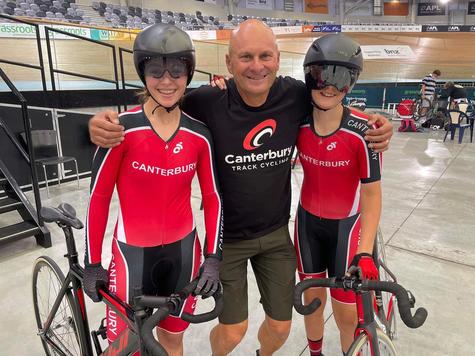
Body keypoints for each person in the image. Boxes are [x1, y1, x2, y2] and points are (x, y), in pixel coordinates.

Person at [88, 20, 393, 356]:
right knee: (232, 332)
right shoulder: (205, 100)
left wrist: (377, 123)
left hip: (276, 237)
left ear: (278, 59)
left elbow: (333, 100)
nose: (257, 66)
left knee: (280, 328)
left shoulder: (296, 95)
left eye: (265, 56)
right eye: (245, 57)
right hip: (228, 242)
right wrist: (98, 123)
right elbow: (158, 104)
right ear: (229, 64)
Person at [83, 24, 223, 356]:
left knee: (173, 341)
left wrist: (214, 257)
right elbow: (98, 199)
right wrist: (92, 262)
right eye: (155, 70)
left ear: (188, 73)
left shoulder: (199, 135)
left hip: (184, 255)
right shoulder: (119, 131)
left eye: (176, 70)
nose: (166, 80)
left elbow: (214, 197)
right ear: (142, 73)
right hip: (131, 258)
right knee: (125, 348)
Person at [294, 34, 381, 356]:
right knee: (312, 300)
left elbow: (371, 195)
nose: (330, 86)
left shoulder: (364, 132)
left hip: (347, 228)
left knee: (346, 313)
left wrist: (366, 250)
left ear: (352, 83)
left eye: (342, 77)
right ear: (309, 77)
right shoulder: (298, 122)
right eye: (322, 76)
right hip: (306, 225)